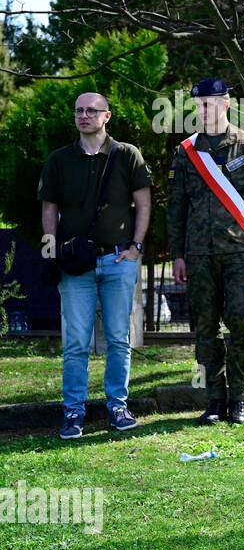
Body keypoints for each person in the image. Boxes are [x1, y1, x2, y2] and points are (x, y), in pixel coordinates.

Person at [38, 91, 152, 439]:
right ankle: (74, 412)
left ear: (107, 116)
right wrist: (51, 251)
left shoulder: (127, 155)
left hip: (118, 260)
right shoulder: (59, 159)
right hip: (76, 265)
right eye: (79, 111)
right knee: (75, 343)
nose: (84, 115)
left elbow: (144, 205)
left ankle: (117, 406)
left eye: (92, 110)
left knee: (119, 339)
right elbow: (48, 210)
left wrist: (136, 247)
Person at [167, 77, 244, 425]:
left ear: (226, 103)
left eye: (212, 102)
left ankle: (240, 399)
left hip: (240, 253)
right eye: (200, 104)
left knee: (241, 324)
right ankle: (214, 399)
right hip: (198, 256)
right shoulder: (186, 152)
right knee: (205, 328)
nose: (205, 109)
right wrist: (178, 254)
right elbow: (177, 207)